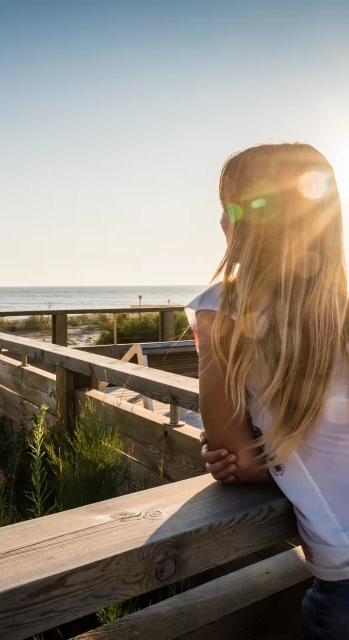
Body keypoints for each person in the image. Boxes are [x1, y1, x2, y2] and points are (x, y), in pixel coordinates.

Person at [186, 143, 349, 640]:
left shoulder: (222, 308)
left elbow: (236, 454)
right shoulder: (341, 308)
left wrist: (253, 456)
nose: (220, 223)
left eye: (228, 207)